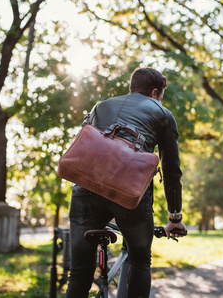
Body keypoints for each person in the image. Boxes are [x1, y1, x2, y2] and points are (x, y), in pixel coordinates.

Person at [65, 67, 186, 298]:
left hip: (86, 188)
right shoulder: (162, 113)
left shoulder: (100, 106)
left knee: (79, 273)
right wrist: (174, 217)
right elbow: (171, 171)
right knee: (141, 260)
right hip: (128, 194)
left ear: (132, 88)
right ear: (155, 92)